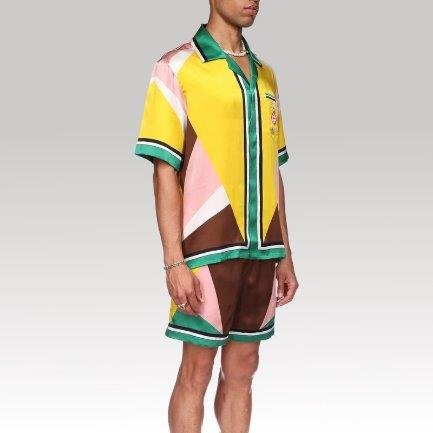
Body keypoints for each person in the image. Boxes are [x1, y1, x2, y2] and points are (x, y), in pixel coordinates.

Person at [134, 1, 299, 432]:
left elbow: (273, 171)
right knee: (197, 370)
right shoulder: (176, 67)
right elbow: (164, 170)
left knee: (245, 367)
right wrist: (173, 261)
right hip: (206, 248)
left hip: (263, 249)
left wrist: (286, 254)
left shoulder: (265, 75)